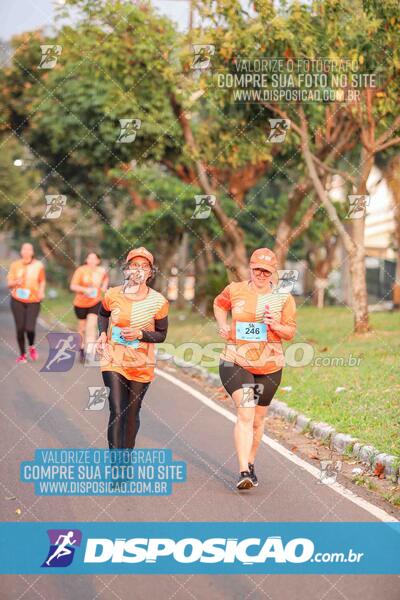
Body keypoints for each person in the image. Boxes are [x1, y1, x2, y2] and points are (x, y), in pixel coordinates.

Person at [213, 248, 296, 490]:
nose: (261, 274)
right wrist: (222, 324)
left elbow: (290, 332)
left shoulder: (283, 297)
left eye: (267, 271)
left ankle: (250, 464)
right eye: (258, 269)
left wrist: (276, 324)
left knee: (258, 420)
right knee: (246, 411)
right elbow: (219, 304)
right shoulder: (235, 289)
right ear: (250, 267)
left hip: (269, 365)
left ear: (273, 273)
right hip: (235, 360)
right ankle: (241, 472)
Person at [96, 247, 168, 449]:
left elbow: (162, 335)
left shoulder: (158, 301)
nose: (138, 270)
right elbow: (103, 314)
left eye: (144, 266)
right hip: (114, 359)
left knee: (131, 413)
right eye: (134, 265)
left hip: (141, 363)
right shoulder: (113, 294)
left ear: (150, 273)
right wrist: (102, 334)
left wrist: (140, 334)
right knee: (117, 410)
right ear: (126, 269)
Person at [7, 243, 46, 363]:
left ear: (32, 252)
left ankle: (31, 346)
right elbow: (9, 283)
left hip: (33, 300)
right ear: (21, 251)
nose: (26, 251)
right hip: (17, 299)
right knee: (20, 328)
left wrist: (41, 292)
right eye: (24, 249)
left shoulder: (38, 265)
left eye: (29, 249)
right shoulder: (15, 265)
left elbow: (42, 281)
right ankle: (23, 354)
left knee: (29, 328)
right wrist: (15, 282)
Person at [70, 253, 108, 362]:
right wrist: (85, 290)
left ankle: (89, 352)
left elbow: (105, 281)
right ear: (86, 260)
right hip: (80, 303)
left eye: (94, 258)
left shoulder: (101, 271)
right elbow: (73, 286)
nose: (91, 260)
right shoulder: (81, 270)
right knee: (81, 328)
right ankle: (81, 349)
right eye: (89, 258)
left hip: (95, 302)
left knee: (91, 327)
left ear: (98, 261)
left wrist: (104, 288)